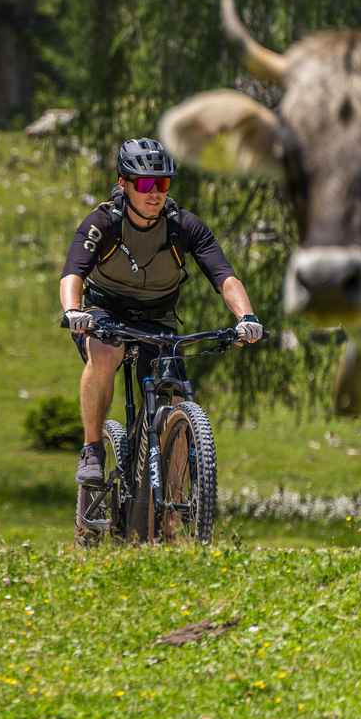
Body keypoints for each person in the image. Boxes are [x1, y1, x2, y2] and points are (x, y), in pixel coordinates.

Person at [59, 138, 264, 509]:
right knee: (105, 352)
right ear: (124, 183)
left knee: (177, 393)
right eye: (145, 184)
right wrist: (74, 310)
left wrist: (245, 317)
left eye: (163, 184)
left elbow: (224, 277)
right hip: (105, 313)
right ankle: (92, 450)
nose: (155, 193)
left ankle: (174, 503)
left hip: (157, 317)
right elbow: (73, 273)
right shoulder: (103, 222)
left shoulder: (183, 226)